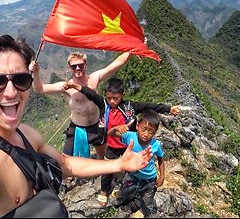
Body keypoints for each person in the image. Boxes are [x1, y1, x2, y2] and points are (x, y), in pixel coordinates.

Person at [0, 35, 152, 218]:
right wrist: (35, 75)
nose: (11, 92)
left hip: (96, 128)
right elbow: (41, 89)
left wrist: (119, 164)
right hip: (78, 127)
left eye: (20, 80)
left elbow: (65, 164)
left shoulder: (26, 134)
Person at [63, 77, 179, 207]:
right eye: (109, 98)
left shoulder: (130, 107)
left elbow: (149, 106)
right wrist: (74, 86)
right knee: (107, 169)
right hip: (111, 145)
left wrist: (169, 109)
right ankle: (104, 190)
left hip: (128, 146)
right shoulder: (104, 105)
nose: (112, 101)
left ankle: (132, 185)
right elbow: (90, 94)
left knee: (129, 168)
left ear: (122, 95)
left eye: (116, 98)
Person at [29, 51, 132, 159]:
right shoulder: (65, 86)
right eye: (74, 66)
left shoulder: (94, 78)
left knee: (102, 155)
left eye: (81, 65)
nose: (78, 68)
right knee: (67, 160)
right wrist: (36, 72)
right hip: (77, 128)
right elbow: (39, 89)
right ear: (70, 67)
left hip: (97, 125)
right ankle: (71, 176)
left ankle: (103, 174)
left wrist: (132, 50)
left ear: (85, 65)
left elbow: (118, 63)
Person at [108, 109, 165, 218]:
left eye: (151, 132)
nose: (146, 134)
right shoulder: (130, 137)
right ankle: (120, 197)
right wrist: (116, 127)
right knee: (125, 190)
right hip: (132, 175)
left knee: (147, 200)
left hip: (149, 179)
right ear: (138, 125)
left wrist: (162, 176)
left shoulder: (156, 144)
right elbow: (110, 134)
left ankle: (143, 212)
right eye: (144, 129)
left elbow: (161, 159)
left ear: (155, 132)